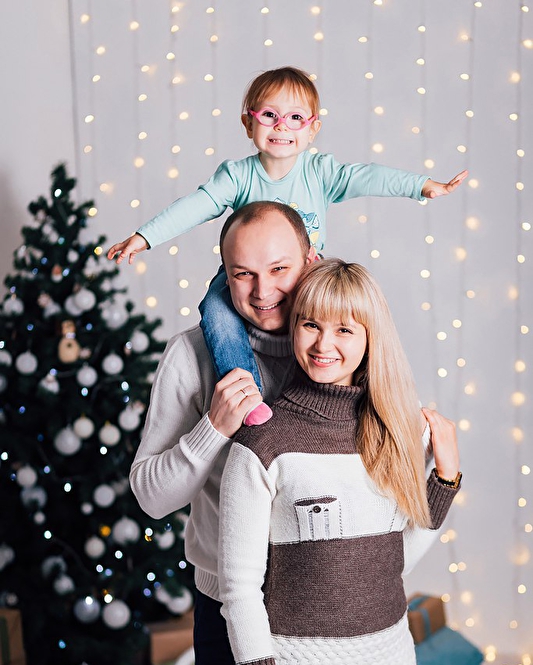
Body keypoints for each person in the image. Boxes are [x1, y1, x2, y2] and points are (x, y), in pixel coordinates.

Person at [218, 259, 462, 665]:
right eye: (310, 324)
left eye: (344, 329)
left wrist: (444, 481)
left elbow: (390, 563)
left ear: (371, 337)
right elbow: (239, 592)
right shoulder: (264, 442)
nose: (323, 344)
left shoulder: (389, 433)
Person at [108, 65, 467, 426]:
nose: (281, 127)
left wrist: (421, 186)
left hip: (308, 270)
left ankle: (358, 395)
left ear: (313, 130)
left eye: (295, 118)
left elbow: (369, 176)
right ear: (248, 124)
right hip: (247, 269)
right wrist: (145, 236)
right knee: (215, 309)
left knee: (342, 310)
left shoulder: (320, 172)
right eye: (269, 116)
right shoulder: (237, 176)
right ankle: (247, 395)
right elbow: (195, 206)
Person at [130, 201, 325, 665]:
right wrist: (212, 427)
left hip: (320, 609)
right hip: (225, 609)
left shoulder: (339, 347)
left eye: (279, 269)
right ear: (223, 274)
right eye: (243, 274)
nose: (263, 292)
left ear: (311, 260)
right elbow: (151, 497)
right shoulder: (190, 355)